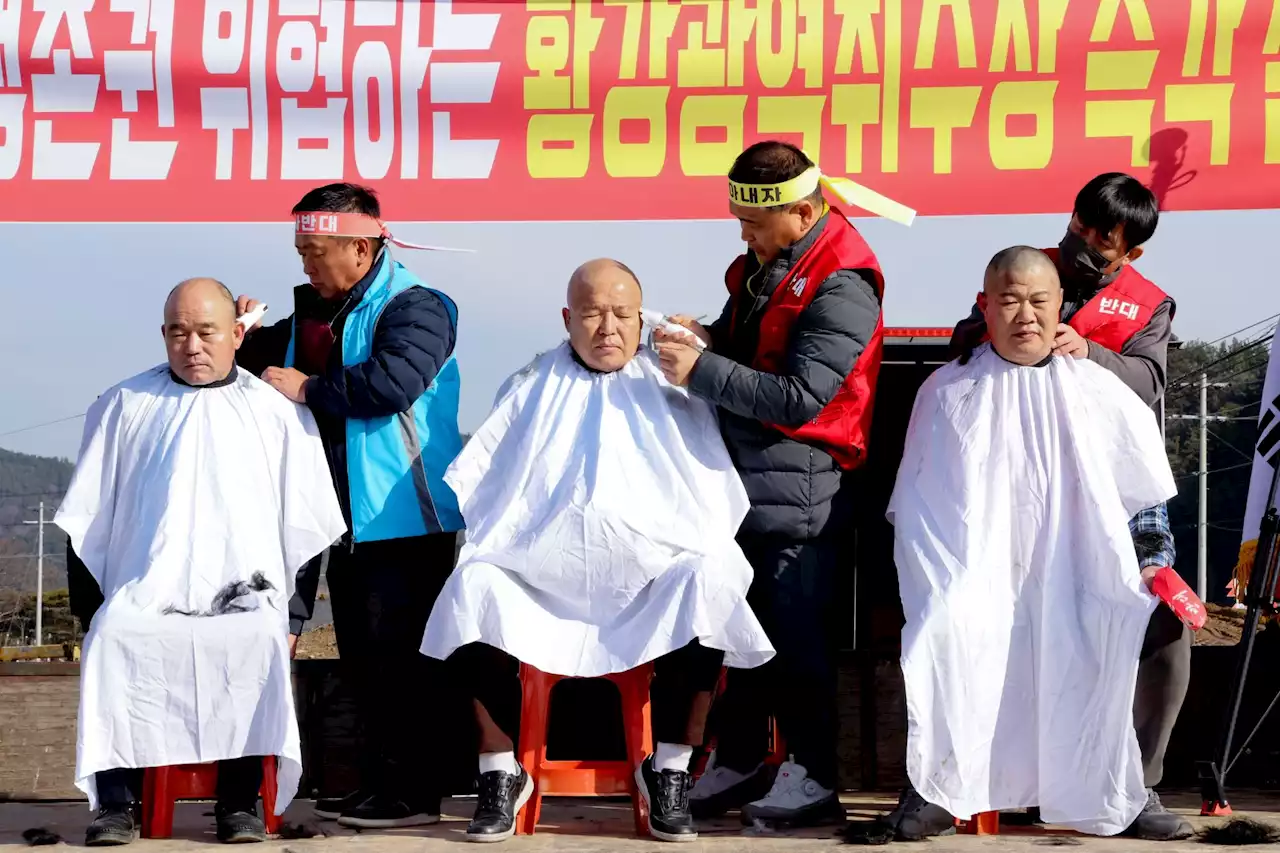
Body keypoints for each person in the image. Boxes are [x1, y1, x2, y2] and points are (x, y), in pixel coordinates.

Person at [419, 259, 775, 843]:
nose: (607, 327)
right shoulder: (531, 383)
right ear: (567, 318)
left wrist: (702, 347)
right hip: (543, 574)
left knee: (710, 579)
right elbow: (488, 481)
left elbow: (710, 483)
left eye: (621, 313)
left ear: (643, 317)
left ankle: (669, 769)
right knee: (472, 584)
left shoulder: (674, 382)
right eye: (591, 313)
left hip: (654, 573)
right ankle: (499, 770)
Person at [890, 173, 1192, 841]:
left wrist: (1093, 354)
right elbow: (926, 502)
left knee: (1147, 619)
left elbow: (1145, 405)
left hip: (1093, 528)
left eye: (1100, 240)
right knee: (947, 619)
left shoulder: (1141, 315)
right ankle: (939, 782)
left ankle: (1131, 784)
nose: (1081, 242)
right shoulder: (959, 382)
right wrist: (1007, 315)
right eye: (1079, 225)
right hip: (989, 548)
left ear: (1129, 253)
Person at [57, 278, 345, 846]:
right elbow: (85, 518)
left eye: (206, 332)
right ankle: (118, 803)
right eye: (178, 332)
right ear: (162, 335)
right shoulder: (123, 405)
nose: (192, 345)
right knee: (114, 638)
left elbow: (306, 524)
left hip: (247, 595)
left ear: (237, 334)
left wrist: (292, 617)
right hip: (144, 592)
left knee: (251, 642)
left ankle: (238, 803)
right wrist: (91, 613)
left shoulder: (276, 413)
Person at [655, 140, 891, 826]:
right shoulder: (768, 264)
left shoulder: (844, 281)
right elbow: (748, 347)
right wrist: (706, 335)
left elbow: (802, 397)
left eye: (754, 224)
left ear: (805, 210)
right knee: (739, 630)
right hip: (747, 475)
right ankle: (738, 758)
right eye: (739, 220)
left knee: (795, 637)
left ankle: (814, 774)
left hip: (804, 481)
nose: (743, 234)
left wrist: (699, 370)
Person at [235, 182, 466, 828]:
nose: (305, 264)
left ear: (361, 248)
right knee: (362, 658)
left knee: (404, 658)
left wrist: (307, 387)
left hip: (404, 516)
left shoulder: (418, 305)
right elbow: (255, 359)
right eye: (300, 251)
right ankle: (376, 781)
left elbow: (392, 383)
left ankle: (413, 790)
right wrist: (238, 323)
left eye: (315, 251)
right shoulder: (315, 314)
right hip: (334, 516)